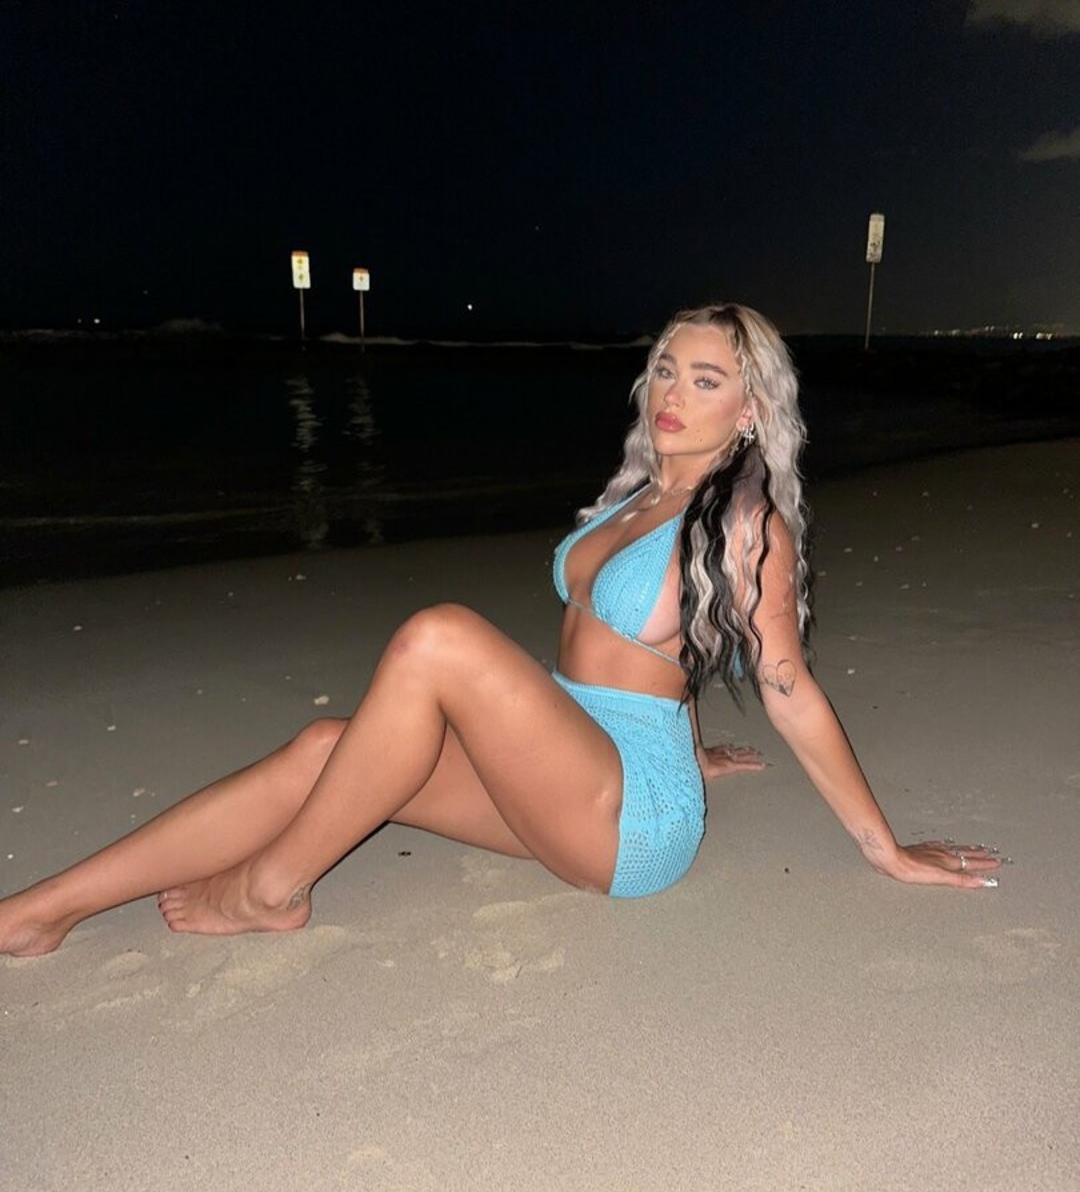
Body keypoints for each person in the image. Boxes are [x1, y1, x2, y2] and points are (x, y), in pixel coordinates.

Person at [0, 304, 1002, 957]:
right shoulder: (641, 495)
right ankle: (44, 909)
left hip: (628, 819)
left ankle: (269, 889)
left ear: (750, 410)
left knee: (439, 637)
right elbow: (680, 640)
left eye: (706, 379)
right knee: (323, 748)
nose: (672, 392)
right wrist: (695, 743)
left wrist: (885, 848)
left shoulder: (749, 522)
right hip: (560, 765)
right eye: (665, 369)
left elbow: (785, 684)